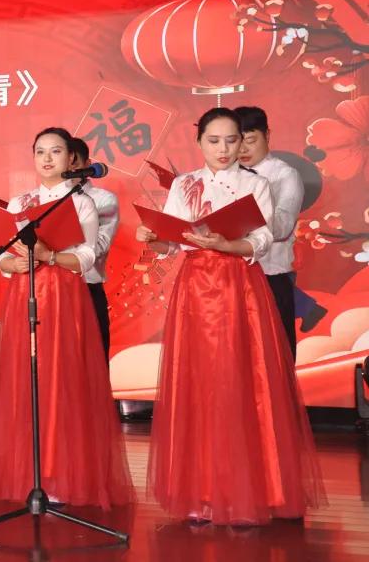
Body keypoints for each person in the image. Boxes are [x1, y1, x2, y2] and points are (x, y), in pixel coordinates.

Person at [137, 107, 324, 525]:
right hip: (195, 289)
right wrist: (152, 238)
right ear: (199, 142)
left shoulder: (256, 184)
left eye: (231, 140)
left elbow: (263, 238)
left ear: (243, 142)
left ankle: (249, 489)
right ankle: (200, 492)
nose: (223, 149)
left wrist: (227, 246)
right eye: (213, 141)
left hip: (240, 287)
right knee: (198, 384)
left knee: (243, 381)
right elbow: (172, 243)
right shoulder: (184, 184)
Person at [0, 128, 133, 508]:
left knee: (62, 381)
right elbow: (3, 256)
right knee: (25, 382)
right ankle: (24, 475)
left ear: (70, 158)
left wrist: (49, 257)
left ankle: (62, 475)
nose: (47, 159)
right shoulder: (19, 202)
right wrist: (12, 264)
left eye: (56, 151)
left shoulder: (82, 202)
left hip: (64, 296)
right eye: (40, 151)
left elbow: (87, 257)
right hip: (24, 295)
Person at [235, 106, 304, 358]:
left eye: (250, 140)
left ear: (267, 135)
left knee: (276, 354)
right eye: (236, 142)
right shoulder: (226, 176)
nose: (242, 149)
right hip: (233, 277)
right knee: (238, 354)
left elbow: (283, 228)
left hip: (271, 277)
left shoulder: (285, 175)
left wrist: (246, 209)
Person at [67, 137, 120, 361]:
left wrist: (55, 248)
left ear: (88, 164)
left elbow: (99, 246)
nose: (69, 170)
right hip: (48, 290)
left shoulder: (102, 199)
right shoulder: (39, 199)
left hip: (86, 288)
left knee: (92, 362)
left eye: (75, 163)